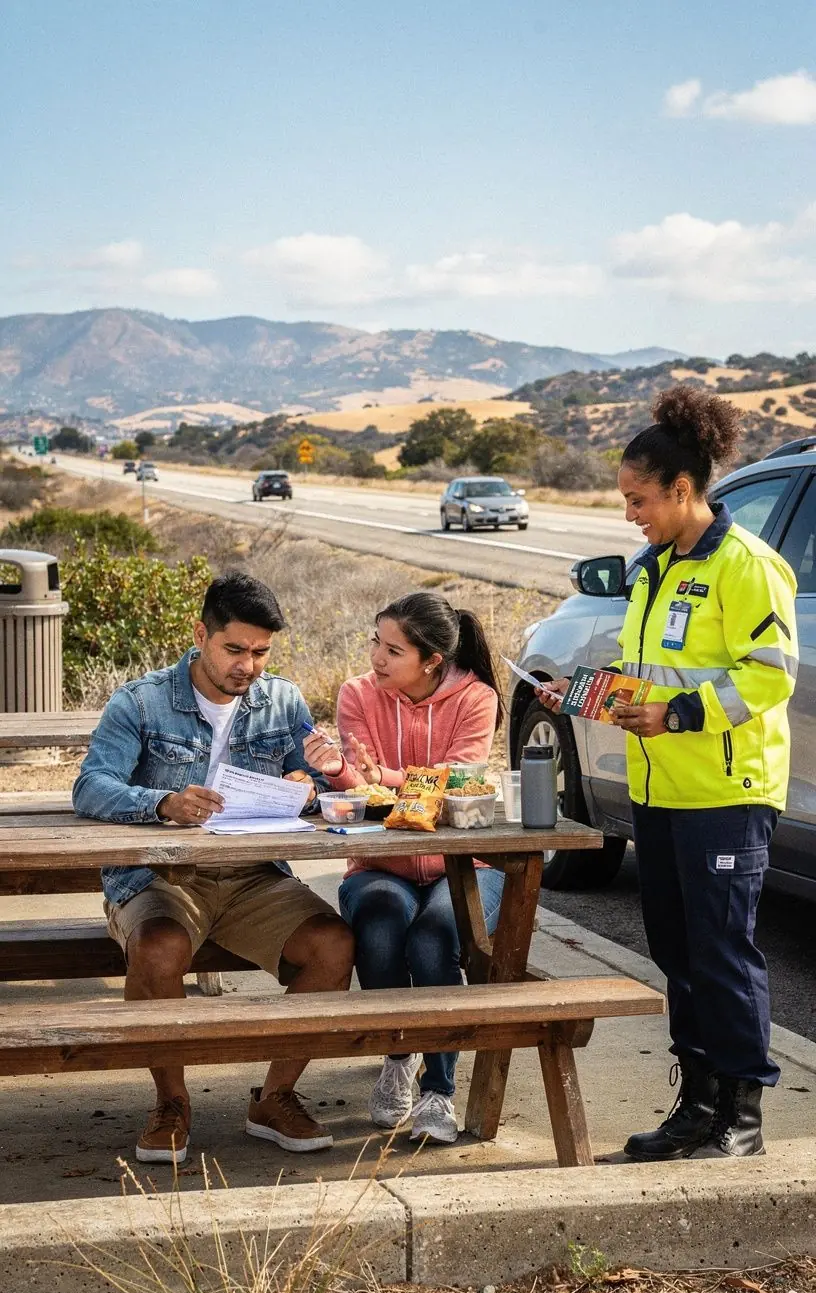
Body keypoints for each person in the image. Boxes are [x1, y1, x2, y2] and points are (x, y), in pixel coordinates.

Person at [537, 386, 798, 1161]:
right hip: (658, 791)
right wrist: (588, 692)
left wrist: (679, 716)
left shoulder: (748, 565)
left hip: (726, 794)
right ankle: (699, 1106)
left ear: (683, 490)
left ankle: (742, 1120)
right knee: (677, 953)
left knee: (722, 953)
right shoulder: (653, 569)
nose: (630, 514)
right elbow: (647, 668)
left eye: (638, 498)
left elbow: (769, 676)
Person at [73, 571, 354, 1164]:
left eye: (260, 652)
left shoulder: (283, 699)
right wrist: (160, 803)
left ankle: (276, 1095)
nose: (248, 666)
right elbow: (90, 786)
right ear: (201, 634)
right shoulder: (140, 701)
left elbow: (313, 778)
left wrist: (311, 778)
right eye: (234, 649)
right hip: (162, 875)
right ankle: (171, 1103)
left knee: (332, 945)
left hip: (253, 875)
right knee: (157, 949)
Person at [304, 592, 505, 1145]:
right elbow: (358, 786)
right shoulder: (356, 696)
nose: (377, 657)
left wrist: (387, 775)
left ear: (432, 660)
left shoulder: (476, 698)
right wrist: (339, 768)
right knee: (380, 923)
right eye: (376, 641)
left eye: (393, 650)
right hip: (380, 860)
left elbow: (461, 780)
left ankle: (439, 1089)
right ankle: (398, 1057)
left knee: (435, 936)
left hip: (465, 864)